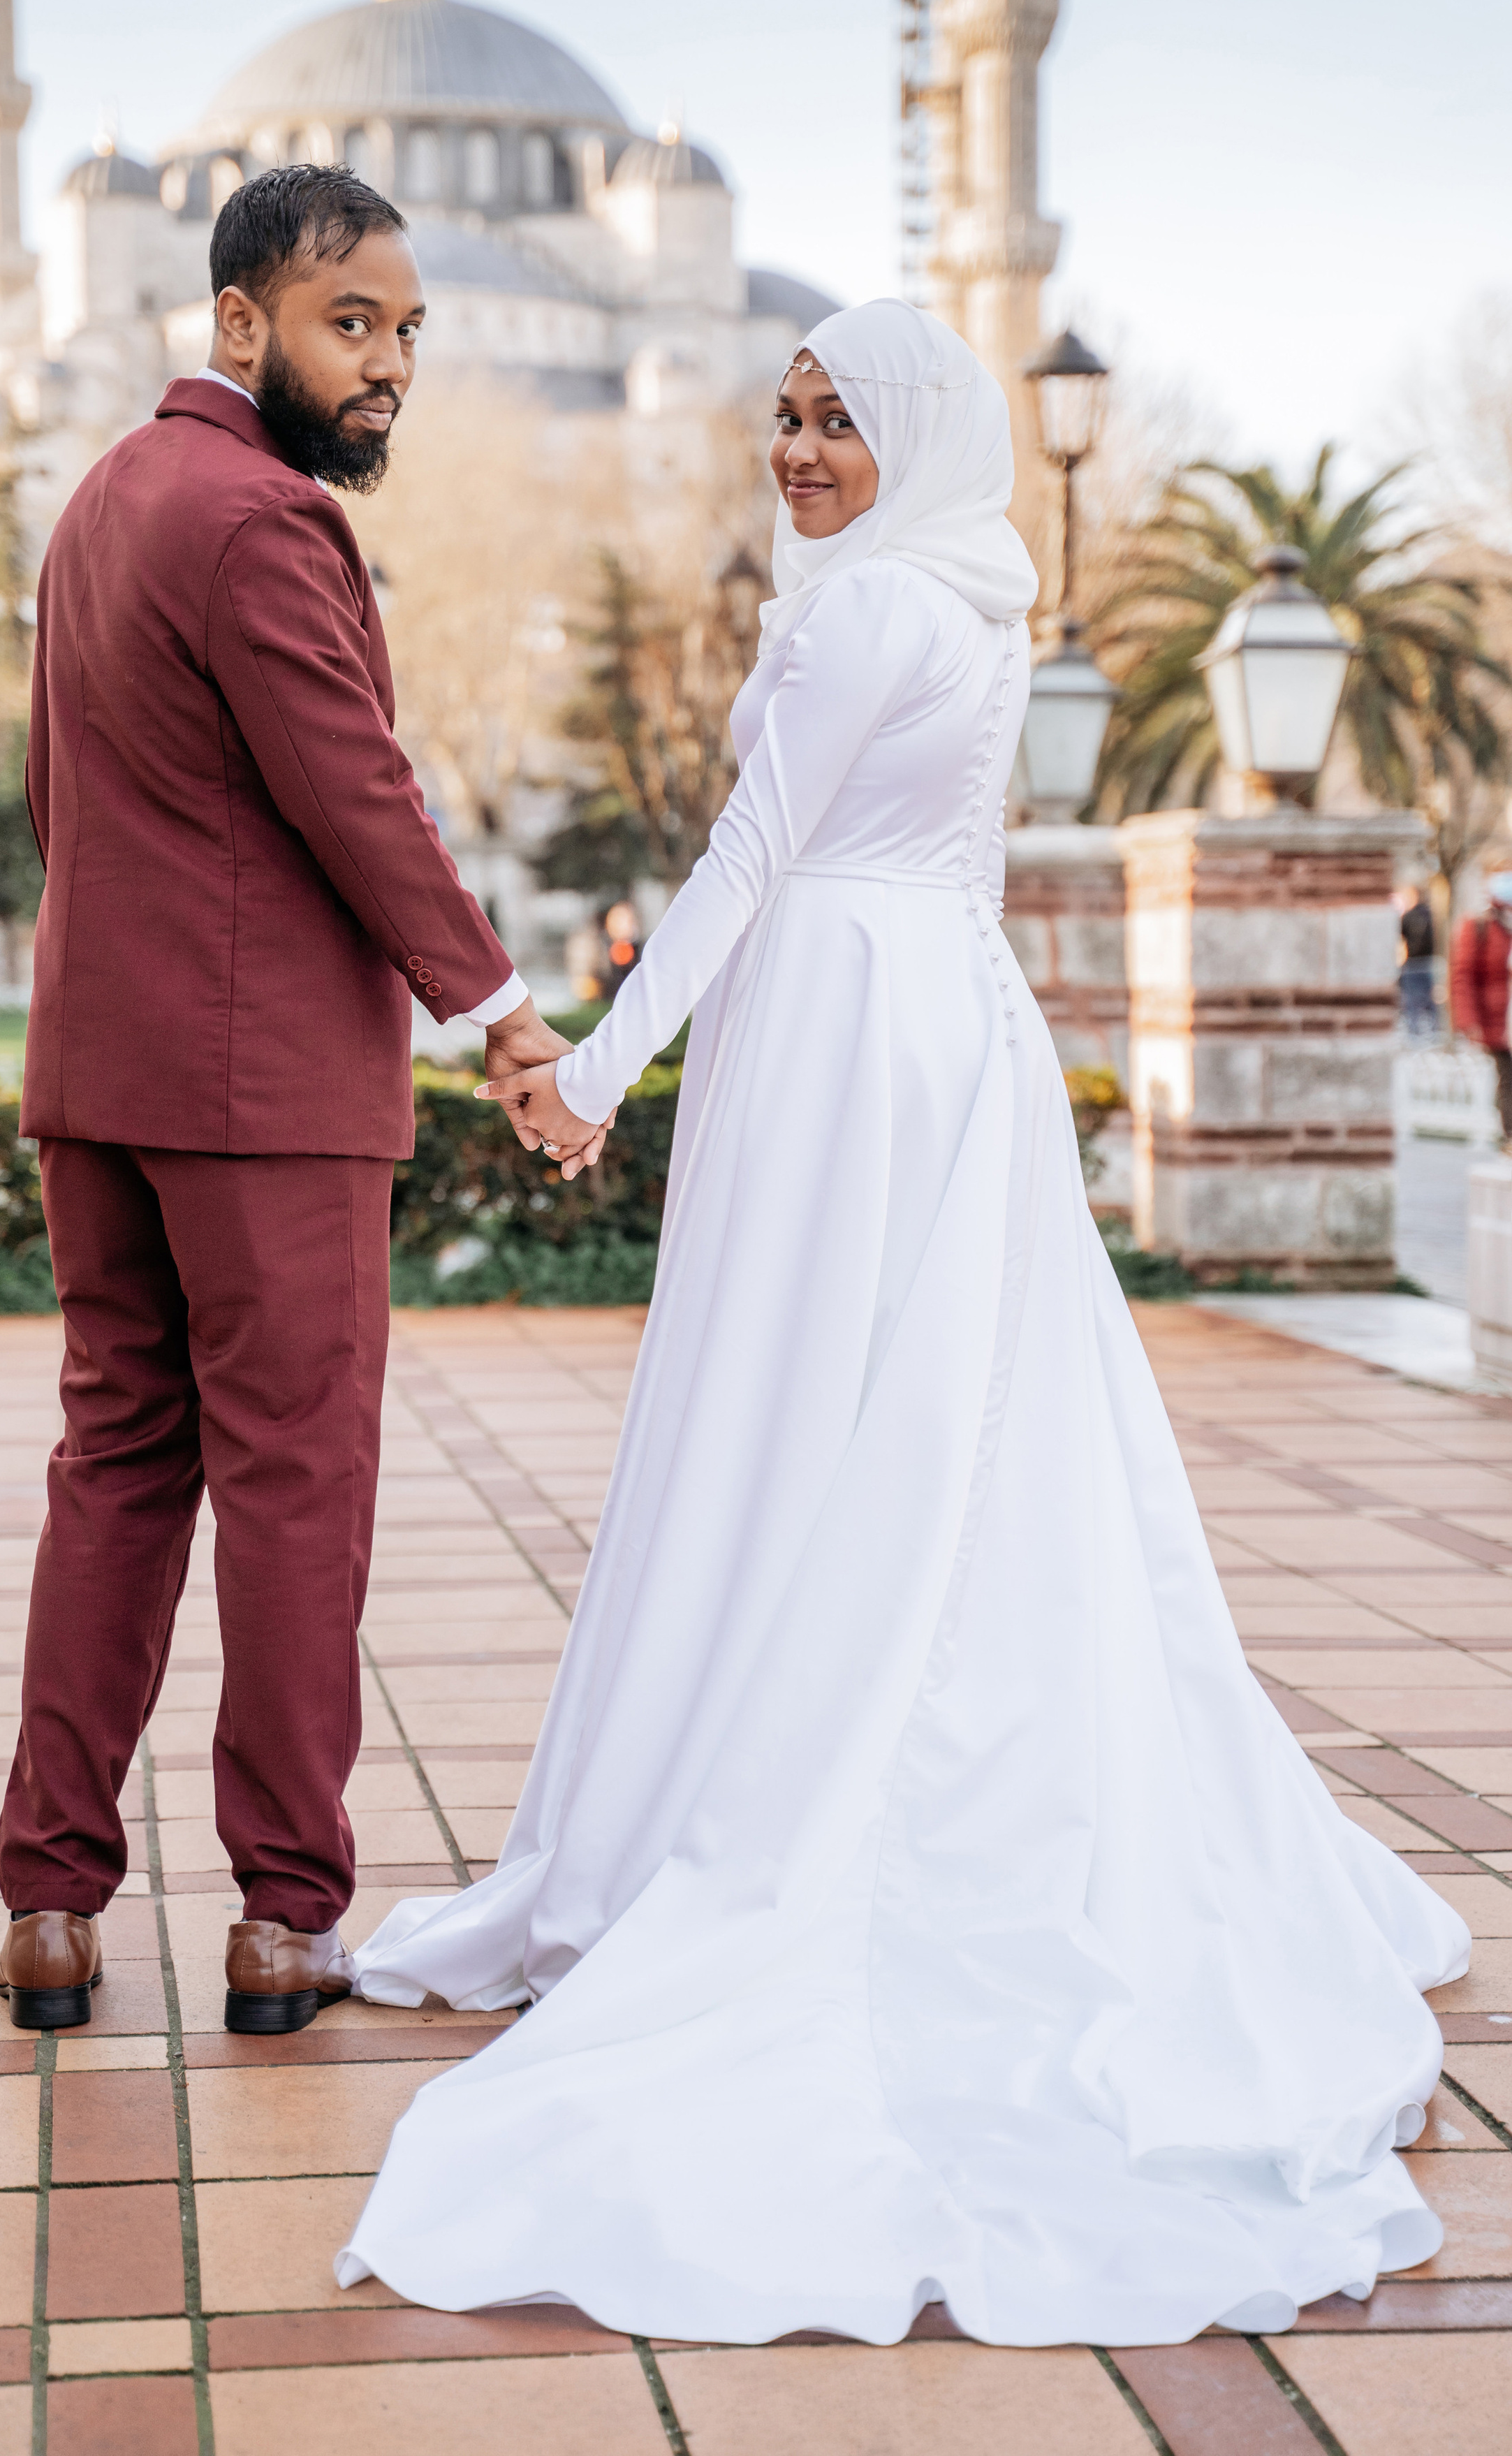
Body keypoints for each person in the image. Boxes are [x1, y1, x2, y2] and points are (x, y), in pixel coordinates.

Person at [338, 300, 1467, 2349]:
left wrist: (585, 1063)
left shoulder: (865, 617)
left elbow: (752, 852)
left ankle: (754, 1780)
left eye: (838, 419)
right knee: (927, 1413)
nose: (796, 450)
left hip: (848, 1030)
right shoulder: (950, 595)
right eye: (782, 416)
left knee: (796, 1412)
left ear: (920, 436)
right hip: (937, 1025)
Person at [0, 166, 598, 2035]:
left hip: (100, 1072)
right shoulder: (267, 522)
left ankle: (50, 1906)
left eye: (411, 330)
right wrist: (501, 1011)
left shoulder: (101, 504)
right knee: (295, 1491)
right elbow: (362, 795)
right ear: (241, 323)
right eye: (356, 323)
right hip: (264, 1097)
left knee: (115, 1469)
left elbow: (53, 802)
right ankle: (282, 1915)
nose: (392, 363)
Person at [1450, 872, 1512, 1136]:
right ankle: (1510, 1138)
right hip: (1500, 1021)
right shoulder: (1480, 927)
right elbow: (1462, 975)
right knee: (1509, 1079)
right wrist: (1468, 1020)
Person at [1397, 884, 1437, 1038]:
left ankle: (1415, 1031)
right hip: (1428, 961)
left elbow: (1400, 935)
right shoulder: (1430, 914)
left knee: (1412, 999)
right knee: (1429, 998)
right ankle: (1433, 1029)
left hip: (1414, 962)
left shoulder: (1408, 916)